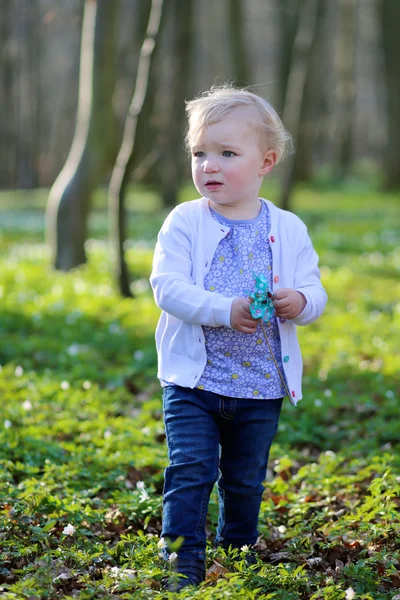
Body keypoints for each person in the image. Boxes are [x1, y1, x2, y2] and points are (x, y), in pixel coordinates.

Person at [150, 84, 327, 591]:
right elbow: (167, 287)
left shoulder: (288, 228)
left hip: (260, 385)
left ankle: (238, 553)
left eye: (228, 153)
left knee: (246, 479)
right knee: (190, 470)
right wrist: (225, 310)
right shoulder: (185, 220)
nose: (210, 165)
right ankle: (182, 561)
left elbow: (315, 289)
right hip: (195, 382)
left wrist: (302, 301)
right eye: (200, 153)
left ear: (266, 161)